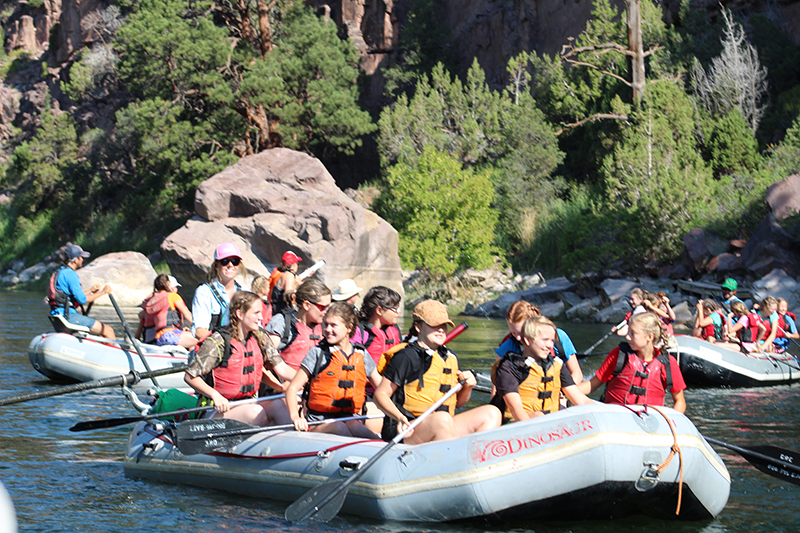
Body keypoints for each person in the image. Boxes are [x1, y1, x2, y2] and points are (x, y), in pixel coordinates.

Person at [373, 300, 501, 444]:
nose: (441, 329)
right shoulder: (406, 356)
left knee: (492, 413)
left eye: (443, 325)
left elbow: (458, 404)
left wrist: (468, 387)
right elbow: (380, 395)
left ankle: (475, 458)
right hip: (407, 430)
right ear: (418, 326)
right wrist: (399, 417)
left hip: (442, 426)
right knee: (442, 419)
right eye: (434, 325)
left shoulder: (449, 357)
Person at [184, 291, 294, 426]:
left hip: (246, 402)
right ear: (240, 314)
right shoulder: (218, 342)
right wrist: (215, 395)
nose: (261, 317)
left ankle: (294, 443)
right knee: (254, 413)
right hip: (216, 410)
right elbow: (190, 376)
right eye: (256, 313)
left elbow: (282, 369)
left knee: (279, 406)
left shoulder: (260, 337)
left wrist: (307, 380)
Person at [285, 302, 382, 438]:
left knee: (362, 432)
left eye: (333, 325)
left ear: (349, 327)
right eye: (326, 324)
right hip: (318, 422)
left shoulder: (361, 354)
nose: (328, 329)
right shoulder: (317, 353)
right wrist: (296, 417)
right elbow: (292, 388)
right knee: (339, 428)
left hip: (349, 418)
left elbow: (382, 388)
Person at [490, 316, 594, 422]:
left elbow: (581, 400)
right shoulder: (509, 367)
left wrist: (604, 411)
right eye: (545, 340)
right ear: (527, 340)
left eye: (552, 341)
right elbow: (515, 408)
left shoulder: (557, 365)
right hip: (516, 423)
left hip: (549, 424)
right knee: (538, 416)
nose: (549, 345)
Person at [579, 312, 686, 413]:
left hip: (649, 424)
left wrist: (669, 424)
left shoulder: (668, 363)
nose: (627, 337)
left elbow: (680, 401)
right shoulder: (618, 355)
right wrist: (566, 390)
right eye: (628, 332)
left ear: (650, 337)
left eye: (632, 333)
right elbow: (591, 385)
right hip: (614, 419)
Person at [495, 300, 582, 384]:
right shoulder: (507, 347)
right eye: (513, 333)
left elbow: (576, 374)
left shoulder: (558, 337)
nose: (517, 338)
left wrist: (563, 394)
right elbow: (496, 385)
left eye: (521, 332)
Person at [47, 244, 115, 339]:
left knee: (100, 333)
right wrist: (103, 292)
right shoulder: (71, 274)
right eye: (81, 257)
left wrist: (91, 290)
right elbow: (82, 300)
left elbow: (68, 297)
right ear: (76, 259)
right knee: (108, 330)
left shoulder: (61, 271)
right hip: (69, 316)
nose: (83, 259)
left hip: (58, 314)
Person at [265, 278, 330, 370]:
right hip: (284, 382)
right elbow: (264, 361)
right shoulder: (282, 323)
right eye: (323, 307)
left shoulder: (327, 326)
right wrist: (281, 385)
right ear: (306, 305)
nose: (326, 312)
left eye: (329, 307)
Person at [192, 243, 245, 340]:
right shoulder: (204, 292)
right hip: (217, 349)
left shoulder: (246, 292)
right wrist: (227, 343)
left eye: (235, 261)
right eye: (225, 261)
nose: (230, 264)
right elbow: (199, 331)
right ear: (216, 265)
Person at [137, 274, 196, 349]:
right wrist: (201, 329)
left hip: (159, 337)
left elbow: (141, 316)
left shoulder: (153, 299)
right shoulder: (172, 296)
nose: (175, 289)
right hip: (171, 335)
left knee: (190, 342)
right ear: (168, 284)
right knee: (203, 338)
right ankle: (193, 359)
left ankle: (191, 357)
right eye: (175, 287)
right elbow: (187, 315)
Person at [268, 251, 302, 315]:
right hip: (282, 313)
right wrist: (295, 286)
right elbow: (289, 296)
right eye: (297, 263)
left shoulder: (281, 273)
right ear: (294, 265)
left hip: (275, 310)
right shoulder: (289, 275)